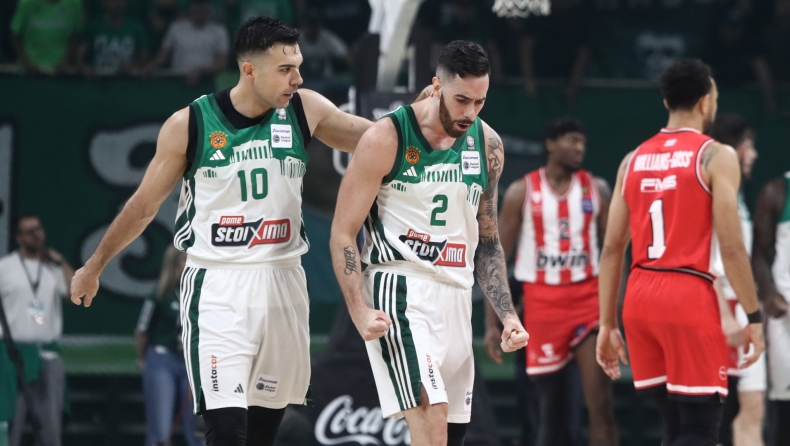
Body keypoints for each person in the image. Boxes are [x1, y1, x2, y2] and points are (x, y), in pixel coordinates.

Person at [70, 16, 373, 446]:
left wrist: (419, 119)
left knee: (263, 432)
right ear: (249, 70)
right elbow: (142, 206)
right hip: (218, 284)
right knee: (226, 429)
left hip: (283, 281)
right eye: (285, 69)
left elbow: (376, 140)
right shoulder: (191, 123)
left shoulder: (304, 108)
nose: (298, 78)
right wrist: (94, 266)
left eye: (298, 67)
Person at [329, 40, 529, 446]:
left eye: (479, 101)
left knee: (452, 435)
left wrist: (507, 314)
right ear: (437, 86)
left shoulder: (487, 144)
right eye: (461, 100)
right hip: (401, 288)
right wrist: (359, 310)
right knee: (432, 420)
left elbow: (488, 239)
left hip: (456, 294)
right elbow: (343, 232)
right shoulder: (387, 137)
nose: (470, 112)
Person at [596, 59, 765, 446]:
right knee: (700, 430)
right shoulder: (715, 155)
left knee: (674, 427)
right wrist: (753, 315)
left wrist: (607, 323)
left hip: (639, 297)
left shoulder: (632, 159)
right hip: (687, 293)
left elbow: (612, 248)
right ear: (705, 102)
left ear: (666, 102)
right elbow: (732, 247)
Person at [484, 118, 617, 446]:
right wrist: (492, 323)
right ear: (550, 145)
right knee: (550, 411)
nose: (579, 148)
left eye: (582, 142)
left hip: (587, 301)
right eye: (572, 140)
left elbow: (615, 251)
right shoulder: (522, 191)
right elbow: (495, 257)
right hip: (541, 305)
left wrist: (616, 309)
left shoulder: (597, 188)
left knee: (599, 403)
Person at [708, 114, 766, 446]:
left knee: (753, 406)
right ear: (738, 149)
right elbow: (705, 259)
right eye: (751, 146)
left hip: (745, 309)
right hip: (722, 309)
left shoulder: (736, 194)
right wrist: (725, 316)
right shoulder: (711, 190)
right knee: (718, 413)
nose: (755, 154)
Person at [0, 215, 74, 446]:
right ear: (18, 237)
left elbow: (76, 292)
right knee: (12, 420)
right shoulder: (5, 268)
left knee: (50, 424)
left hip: (47, 354)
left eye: (38, 229)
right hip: (12, 355)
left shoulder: (51, 268)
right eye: (29, 231)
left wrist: (61, 261)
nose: (36, 234)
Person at [135, 246, 202, 446]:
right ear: (175, 265)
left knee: (198, 427)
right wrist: (142, 360)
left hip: (191, 362)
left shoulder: (202, 294)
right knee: (160, 429)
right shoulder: (159, 295)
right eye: (186, 261)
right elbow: (141, 331)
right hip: (162, 360)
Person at [752, 168, 790, 446]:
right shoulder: (778, 191)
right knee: (784, 411)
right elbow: (758, 252)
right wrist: (768, 293)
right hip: (786, 315)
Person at [147, 0, 229, 85]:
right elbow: (163, 55)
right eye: (197, 6)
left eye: (203, 6)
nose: (200, 9)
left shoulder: (219, 30)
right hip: (178, 80)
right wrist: (150, 67)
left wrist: (201, 72)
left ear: (209, 9)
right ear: (191, 8)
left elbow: (222, 62)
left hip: (207, 81)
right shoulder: (176, 28)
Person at [79, 0, 151, 75]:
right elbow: (79, 57)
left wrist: (132, 66)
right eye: (113, 1)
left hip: (127, 79)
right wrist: (85, 68)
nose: (117, 4)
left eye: (120, 1)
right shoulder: (93, 28)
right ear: (104, 3)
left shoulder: (136, 28)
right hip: (98, 78)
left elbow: (144, 57)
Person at [10, 0, 83, 74]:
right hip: (28, 71)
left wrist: (66, 61)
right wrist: (26, 62)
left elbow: (76, 34)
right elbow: (14, 33)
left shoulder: (74, 3)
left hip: (61, 71)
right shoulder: (26, 3)